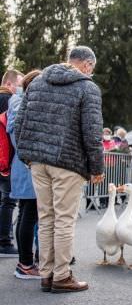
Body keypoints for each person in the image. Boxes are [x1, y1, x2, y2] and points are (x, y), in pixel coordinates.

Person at [16, 46, 104, 293]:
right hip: (68, 162)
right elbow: (92, 132)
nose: (91, 73)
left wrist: (27, 156)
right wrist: (96, 167)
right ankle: (62, 276)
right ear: (86, 65)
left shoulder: (37, 83)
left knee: (46, 219)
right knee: (64, 220)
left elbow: (21, 122)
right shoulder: (87, 88)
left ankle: (46, 274)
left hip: (38, 162)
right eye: (92, 69)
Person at [8, 70, 41, 279]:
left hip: (21, 167)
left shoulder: (16, 103)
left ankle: (25, 262)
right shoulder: (23, 105)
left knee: (24, 215)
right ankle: (26, 264)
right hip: (28, 167)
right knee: (29, 216)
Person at [0, 69, 23, 257]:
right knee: (8, 201)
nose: (21, 89)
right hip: (5, 158)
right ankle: (4, 241)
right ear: (9, 84)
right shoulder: (7, 101)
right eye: (19, 84)